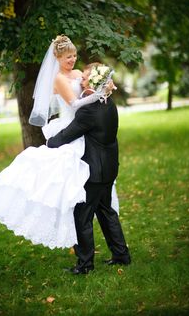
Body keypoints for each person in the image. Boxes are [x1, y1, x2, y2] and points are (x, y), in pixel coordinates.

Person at [0, 35, 119, 249]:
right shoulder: (58, 79)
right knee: (71, 188)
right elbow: (75, 104)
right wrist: (96, 96)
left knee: (95, 199)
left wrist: (105, 86)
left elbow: (92, 85)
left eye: (74, 55)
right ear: (57, 57)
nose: (72, 60)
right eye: (67, 57)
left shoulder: (78, 74)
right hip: (74, 125)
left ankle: (92, 255)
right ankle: (84, 245)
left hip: (87, 128)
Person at [47, 62, 131, 275]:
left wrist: (49, 142)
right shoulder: (109, 103)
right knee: (106, 211)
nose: (80, 81)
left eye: (84, 78)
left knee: (82, 216)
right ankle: (121, 255)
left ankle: (84, 265)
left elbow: (67, 136)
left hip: (94, 173)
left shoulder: (88, 111)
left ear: (94, 82)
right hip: (109, 168)